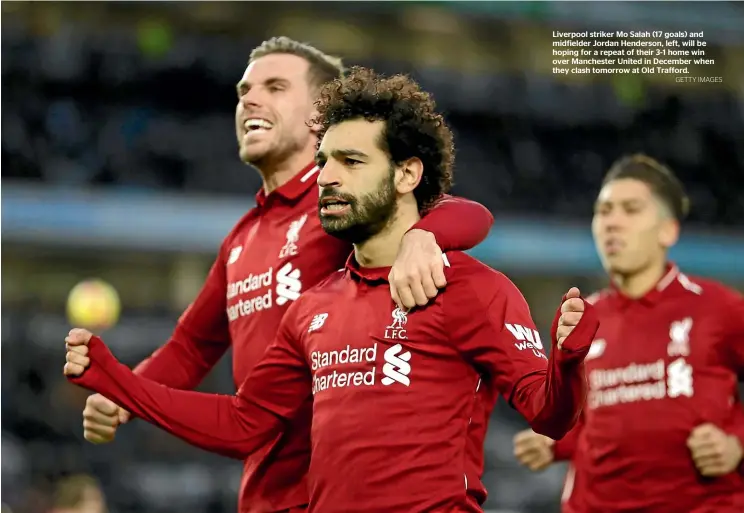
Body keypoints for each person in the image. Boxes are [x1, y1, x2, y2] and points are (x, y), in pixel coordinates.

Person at [64, 66, 599, 513]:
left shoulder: (472, 289)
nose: (324, 177)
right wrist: (115, 378)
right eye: (323, 160)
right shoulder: (312, 308)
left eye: (351, 161)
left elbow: (549, 413)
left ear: (407, 174)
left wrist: (570, 359)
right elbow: (243, 424)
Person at [513, 154, 744, 513]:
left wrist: (737, 441)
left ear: (668, 230)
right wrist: (555, 444)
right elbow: (599, 420)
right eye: (603, 211)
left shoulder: (719, 308)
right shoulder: (583, 318)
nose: (612, 223)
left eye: (630, 209)